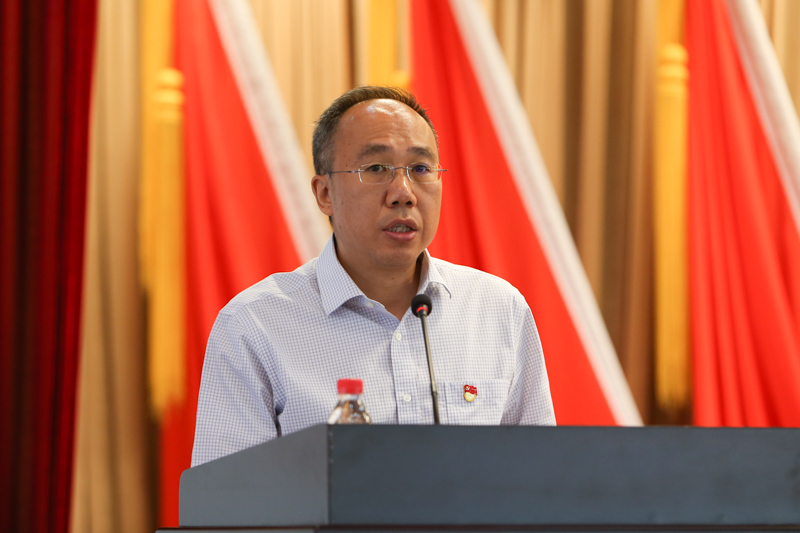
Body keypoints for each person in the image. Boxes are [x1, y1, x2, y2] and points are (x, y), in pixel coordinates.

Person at [191, 86, 555, 467]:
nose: (403, 193)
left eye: (420, 169)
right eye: (376, 169)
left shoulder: (499, 311)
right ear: (324, 194)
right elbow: (228, 497)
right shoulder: (254, 326)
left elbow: (540, 478)